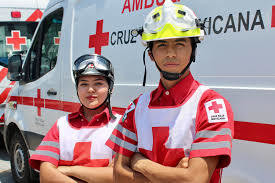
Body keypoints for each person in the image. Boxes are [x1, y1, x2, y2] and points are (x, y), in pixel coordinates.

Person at [106, 1, 234, 183]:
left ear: (193, 49)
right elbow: (119, 175)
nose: (171, 53)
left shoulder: (211, 105)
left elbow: (194, 179)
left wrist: (139, 162)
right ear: (150, 54)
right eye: (162, 45)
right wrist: (175, 175)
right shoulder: (136, 107)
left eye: (180, 44)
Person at [29, 54, 121, 183]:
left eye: (98, 83)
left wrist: (69, 170)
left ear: (110, 88)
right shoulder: (61, 125)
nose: (90, 89)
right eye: (83, 84)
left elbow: (118, 176)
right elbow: (46, 176)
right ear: (77, 89)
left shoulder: (122, 125)